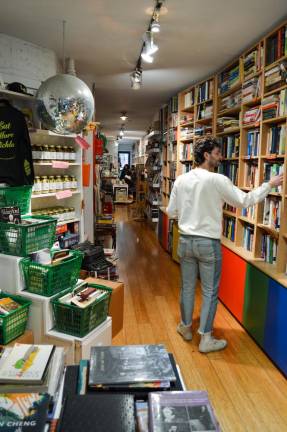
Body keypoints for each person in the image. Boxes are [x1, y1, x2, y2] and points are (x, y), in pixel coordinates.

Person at [166, 136, 283, 353]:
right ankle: (206, 339)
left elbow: (171, 211)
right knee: (210, 291)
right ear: (206, 155)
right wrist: (270, 184)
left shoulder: (181, 180)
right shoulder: (217, 180)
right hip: (207, 243)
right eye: (218, 153)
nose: (221, 157)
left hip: (184, 241)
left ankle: (185, 327)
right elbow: (244, 201)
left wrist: (190, 214)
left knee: (187, 287)